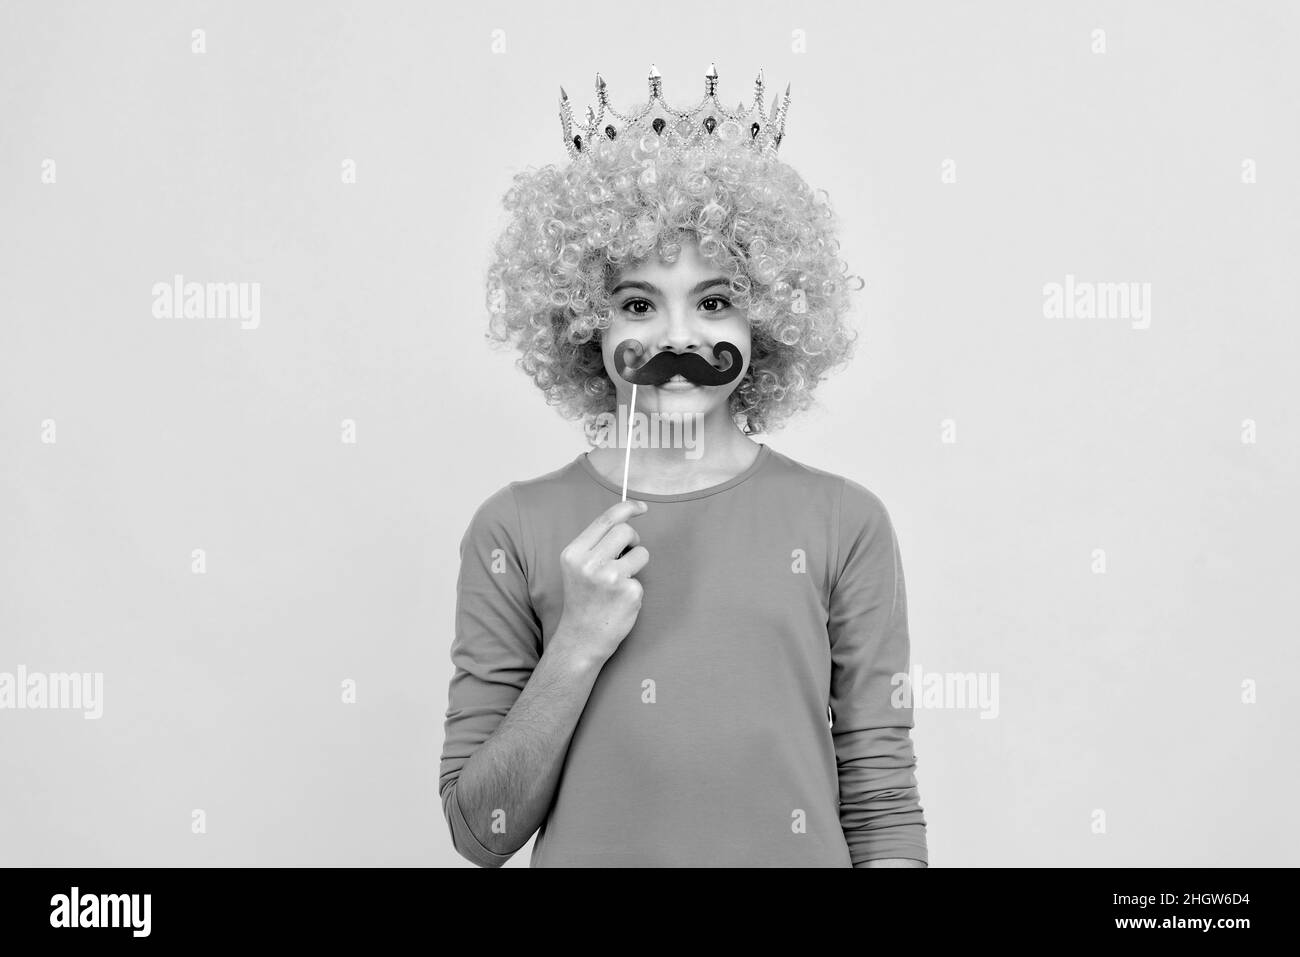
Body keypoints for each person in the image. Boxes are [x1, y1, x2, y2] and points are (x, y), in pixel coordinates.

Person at [438, 65, 928, 867]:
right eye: (638, 304)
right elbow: (481, 833)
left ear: (767, 313)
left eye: (714, 301)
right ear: (581, 322)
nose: (678, 339)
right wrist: (578, 643)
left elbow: (881, 805)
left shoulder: (844, 521)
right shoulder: (514, 526)